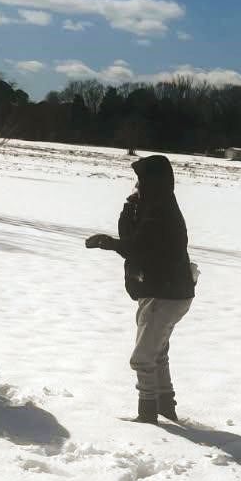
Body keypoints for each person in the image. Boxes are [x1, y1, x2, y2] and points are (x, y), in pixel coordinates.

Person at [85, 154, 196, 423]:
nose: (136, 186)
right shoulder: (155, 205)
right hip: (165, 291)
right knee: (156, 352)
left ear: (153, 181)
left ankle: (148, 415)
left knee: (143, 357)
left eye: (141, 180)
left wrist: (108, 243)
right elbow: (133, 241)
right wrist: (127, 210)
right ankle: (164, 407)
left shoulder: (160, 211)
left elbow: (138, 247)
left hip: (166, 293)